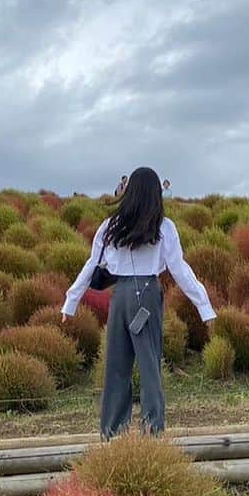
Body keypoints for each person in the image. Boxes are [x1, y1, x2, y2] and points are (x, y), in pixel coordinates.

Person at [61, 166, 216, 439]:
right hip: (147, 294)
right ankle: (152, 432)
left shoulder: (110, 226)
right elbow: (180, 269)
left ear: (129, 192)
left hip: (120, 296)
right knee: (149, 366)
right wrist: (204, 307)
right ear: (156, 193)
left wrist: (70, 302)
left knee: (117, 367)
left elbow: (91, 265)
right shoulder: (164, 227)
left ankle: (112, 434)